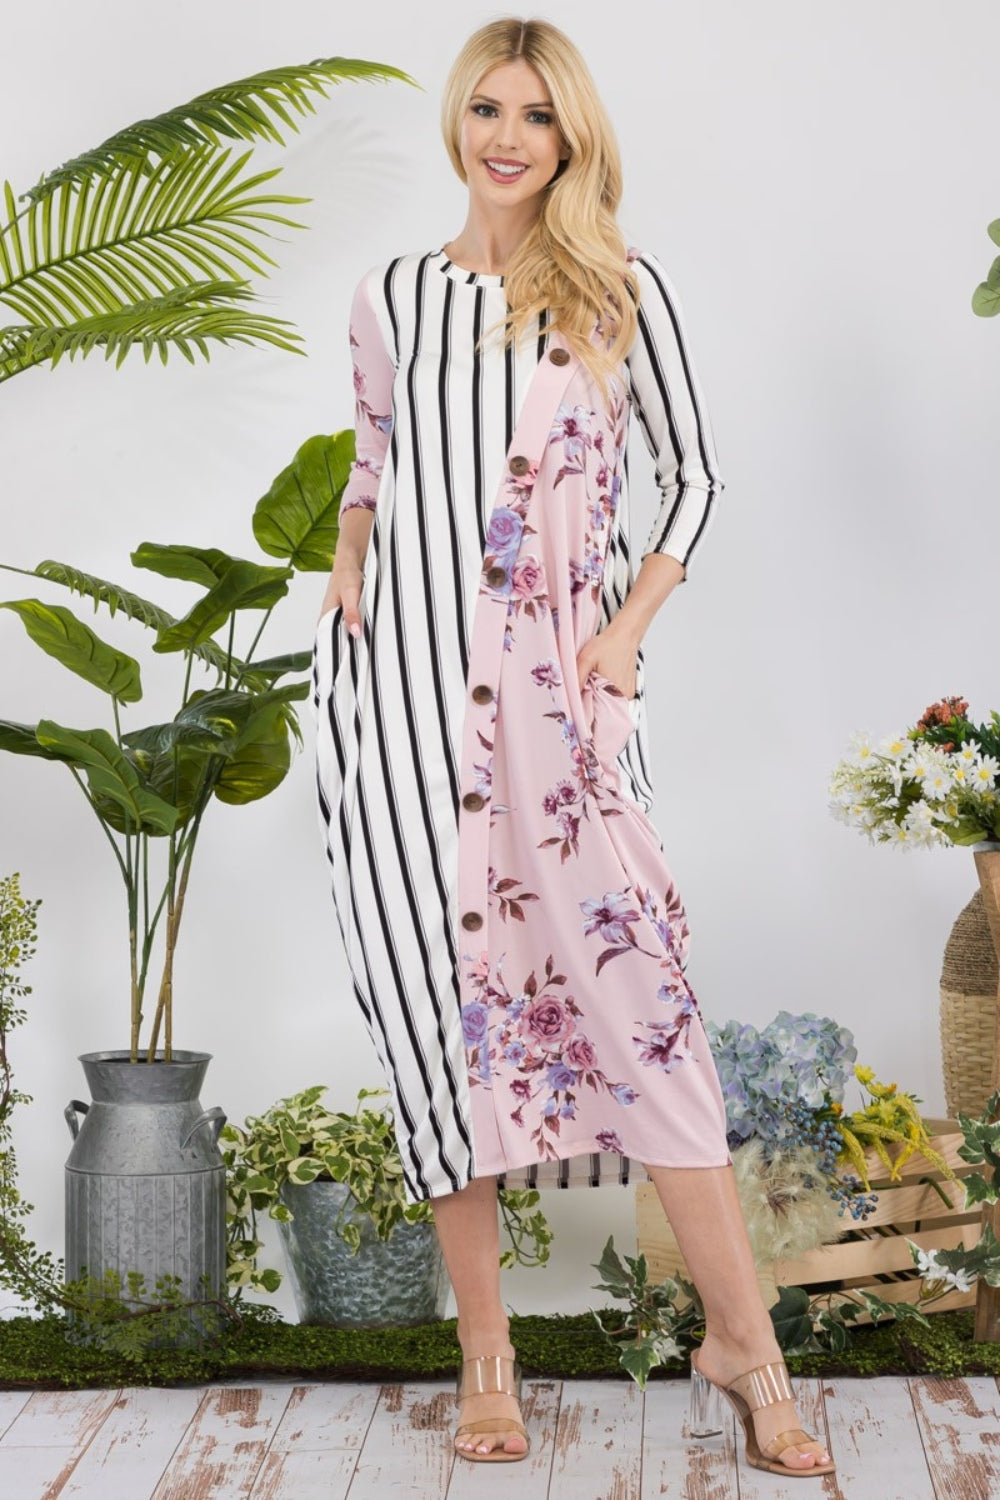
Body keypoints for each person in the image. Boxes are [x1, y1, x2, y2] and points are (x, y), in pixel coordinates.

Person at [313, 16, 834, 1478]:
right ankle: (491, 1355)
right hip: (401, 712)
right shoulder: (390, 295)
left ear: (571, 139)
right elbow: (369, 457)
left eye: (536, 114)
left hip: (566, 709)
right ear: (458, 122)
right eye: (486, 105)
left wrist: (626, 634)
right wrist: (350, 550)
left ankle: (746, 1345)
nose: (506, 134)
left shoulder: (613, 290)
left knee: (646, 1012)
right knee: (439, 1020)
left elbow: (698, 476)